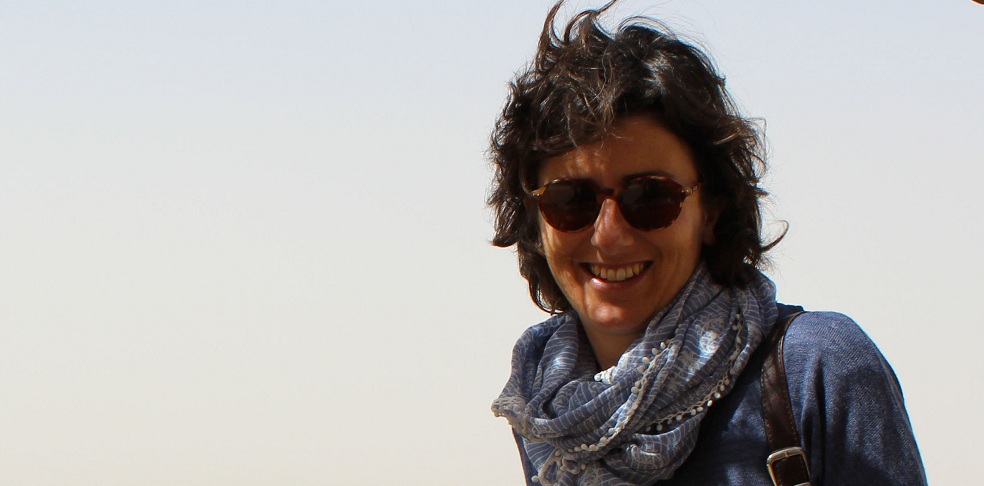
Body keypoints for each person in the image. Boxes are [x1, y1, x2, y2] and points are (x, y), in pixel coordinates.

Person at [488, 2, 927, 485]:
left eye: (650, 197)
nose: (609, 234)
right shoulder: (549, 416)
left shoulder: (816, 369)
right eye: (571, 200)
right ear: (534, 220)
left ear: (712, 211)